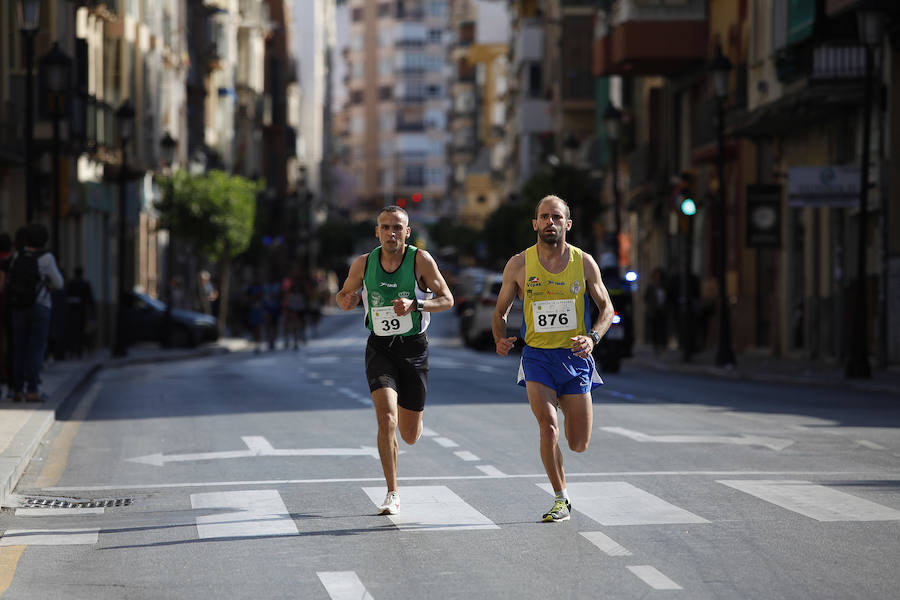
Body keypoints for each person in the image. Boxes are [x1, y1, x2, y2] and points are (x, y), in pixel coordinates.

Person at [492, 195, 614, 522]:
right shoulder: (518, 264)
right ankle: (561, 497)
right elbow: (500, 311)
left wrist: (593, 337)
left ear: (567, 224)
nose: (550, 222)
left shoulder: (584, 262)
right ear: (535, 223)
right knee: (548, 429)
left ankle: (568, 404)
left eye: (556, 217)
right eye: (544, 217)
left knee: (578, 444)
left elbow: (607, 308)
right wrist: (500, 338)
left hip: (575, 359)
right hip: (537, 358)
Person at [335, 205, 454, 515]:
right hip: (380, 347)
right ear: (377, 232)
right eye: (385, 227)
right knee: (386, 417)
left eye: (397, 227)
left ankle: (413, 419)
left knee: (409, 434)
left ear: (407, 231)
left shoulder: (421, 260)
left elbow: (447, 299)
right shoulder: (363, 264)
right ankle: (392, 492)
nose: (391, 232)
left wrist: (417, 304)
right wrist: (345, 300)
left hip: (414, 348)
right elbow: (343, 295)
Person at [8, 223, 64, 402]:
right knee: (36, 348)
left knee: (18, 347)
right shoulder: (47, 258)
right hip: (40, 307)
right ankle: (32, 389)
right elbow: (59, 283)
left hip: (19, 307)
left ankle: (17, 389)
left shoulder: (18, 255)